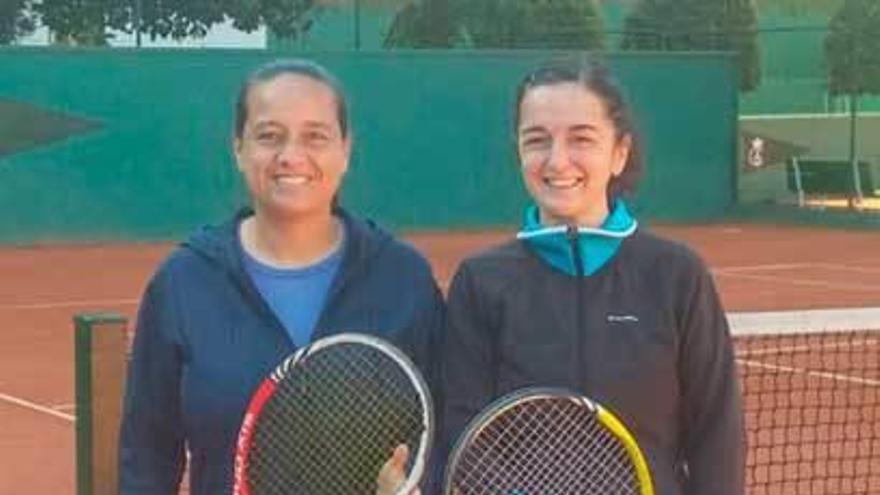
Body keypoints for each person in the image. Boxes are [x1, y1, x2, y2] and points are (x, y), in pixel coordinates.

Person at [119, 58, 444, 495]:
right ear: (238, 147)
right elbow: (147, 456)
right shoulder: (183, 282)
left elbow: (440, 436)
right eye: (269, 136)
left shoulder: (404, 279)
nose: (291, 156)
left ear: (345, 150)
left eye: (316, 136)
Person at [441, 59, 745, 495]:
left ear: (619, 152)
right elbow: (465, 428)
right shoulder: (481, 281)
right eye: (537, 140)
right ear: (519, 153)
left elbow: (718, 433)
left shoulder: (677, 274)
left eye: (581, 138)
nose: (557, 160)